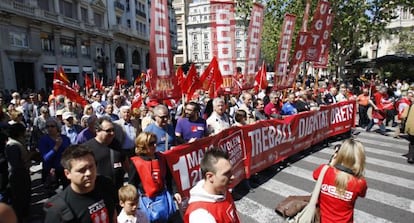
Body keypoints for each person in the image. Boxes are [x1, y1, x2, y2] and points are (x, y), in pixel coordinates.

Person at [44, 144, 118, 223]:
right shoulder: (58, 210)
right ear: (67, 173)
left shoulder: (106, 185)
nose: (88, 173)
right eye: (81, 170)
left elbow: (113, 213)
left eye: (91, 166)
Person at [128, 132, 182, 222]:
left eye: (155, 142)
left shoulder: (161, 157)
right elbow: (132, 184)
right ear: (143, 146)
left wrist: (175, 192)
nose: (155, 145)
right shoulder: (136, 162)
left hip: (164, 198)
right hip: (146, 201)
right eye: (151, 143)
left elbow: (169, 177)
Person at [314, 139, 367, 222]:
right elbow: (362, 194)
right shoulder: (360, 182)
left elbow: (315, 175)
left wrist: (331, 163)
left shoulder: (324, 170)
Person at [184, 149, 240, 223]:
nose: (232, 177)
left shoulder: (222, 190)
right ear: (210, 177)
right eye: (226, 173)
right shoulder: (201, 216)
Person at [83, 116, 125, 190]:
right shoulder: (87, 148)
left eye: (113, 130)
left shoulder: (116, 144)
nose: (112, 133)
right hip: (98, 191)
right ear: (97, 131)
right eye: (108, 130)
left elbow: (125, 162)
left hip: (117, 190)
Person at [38, 118, 71, 191]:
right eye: (47, 126)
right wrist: (56, 147)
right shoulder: (43, 140)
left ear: (57, 127)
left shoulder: (65, 138)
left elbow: (69, 153)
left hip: (64, 170)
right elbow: (45, 158)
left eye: (52, 126)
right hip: (50, 172)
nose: (50, 128)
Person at [403, 93, 414, 164]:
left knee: (412, 143)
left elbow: (403, 116)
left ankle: (411, 157)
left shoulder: (409, 105)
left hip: (411, 127)